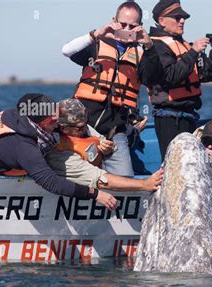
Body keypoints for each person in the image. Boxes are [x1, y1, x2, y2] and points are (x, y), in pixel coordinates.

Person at [0, 93, 118, 210]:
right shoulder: (24, 147)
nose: (57, 122)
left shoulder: (12, 115)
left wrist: (98, 139)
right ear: (43, 122)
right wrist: (96, 194)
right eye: (53, 120)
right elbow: (51, 183)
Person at [62, 1, 163, 176]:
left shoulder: (142, 54)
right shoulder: (96, 45)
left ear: (140, 27)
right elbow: (66, 50)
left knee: (124, 178)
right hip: (83, 126)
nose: (126, 29)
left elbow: (154, 78)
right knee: (73, 172)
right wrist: (96, 34)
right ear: (113, 20)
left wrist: (149, 46)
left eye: (132, 26)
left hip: (115, 130)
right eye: (122, 24)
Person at [148, 0, 212, 160]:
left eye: (183, 17)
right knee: (176, 164)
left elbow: (208, 75)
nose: (182, 20)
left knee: (204, 160)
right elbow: (171, 77)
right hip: (169, 118)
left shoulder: (185, 45)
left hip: (190, 116)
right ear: (161, 21)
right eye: (177, 17)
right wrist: (193, 51)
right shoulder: (155, 47)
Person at [46, 99, 163, 192]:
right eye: (80, 127)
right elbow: (99, 178)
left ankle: (134, 131)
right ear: (63, 128)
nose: (85, 128)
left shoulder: (80, 127)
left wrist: (106, 148)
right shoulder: (60, 155)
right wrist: (144, 184)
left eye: (86, 124)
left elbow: (100, 139)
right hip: (85, 178)